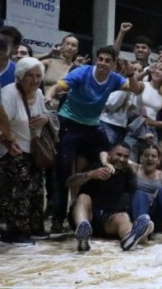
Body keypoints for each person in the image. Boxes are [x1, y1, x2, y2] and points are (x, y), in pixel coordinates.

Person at [46, 45, 146, 234]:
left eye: (108, 61)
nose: (102, 63)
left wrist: (132, 74)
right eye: (100, 59)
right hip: (69, 123)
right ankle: (58, 219)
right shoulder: (83, 73)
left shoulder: (115, 78)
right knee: (63, 169)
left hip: (92, 126)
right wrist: (49, 96)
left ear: (114, 64)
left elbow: (138, 89)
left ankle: (100, 210)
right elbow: (59, 86)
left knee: (111, 156)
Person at [0, 58, 57, 244]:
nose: (35, 80)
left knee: (37, 190)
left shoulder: (37, 93)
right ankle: (14, 232)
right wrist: (6, 142)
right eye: (30, 75)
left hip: (33, 152)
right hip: (10, 151)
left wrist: (44, 119)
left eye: (38, 76)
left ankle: (34, 226)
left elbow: (45, 113)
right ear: (20, 76)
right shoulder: (9, 94)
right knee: (20, 192)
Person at [67, 142, 153, 252]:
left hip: (108, 220)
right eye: (119, 154)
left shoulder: (127, 174)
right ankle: (83, 233)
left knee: (123, 216)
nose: (122, 159)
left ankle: (129, 237)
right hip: (89, 215)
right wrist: (90, 174)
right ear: (110, 154)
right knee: (83, 197)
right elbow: (69, 182)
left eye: (125, 157)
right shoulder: (96, 166)